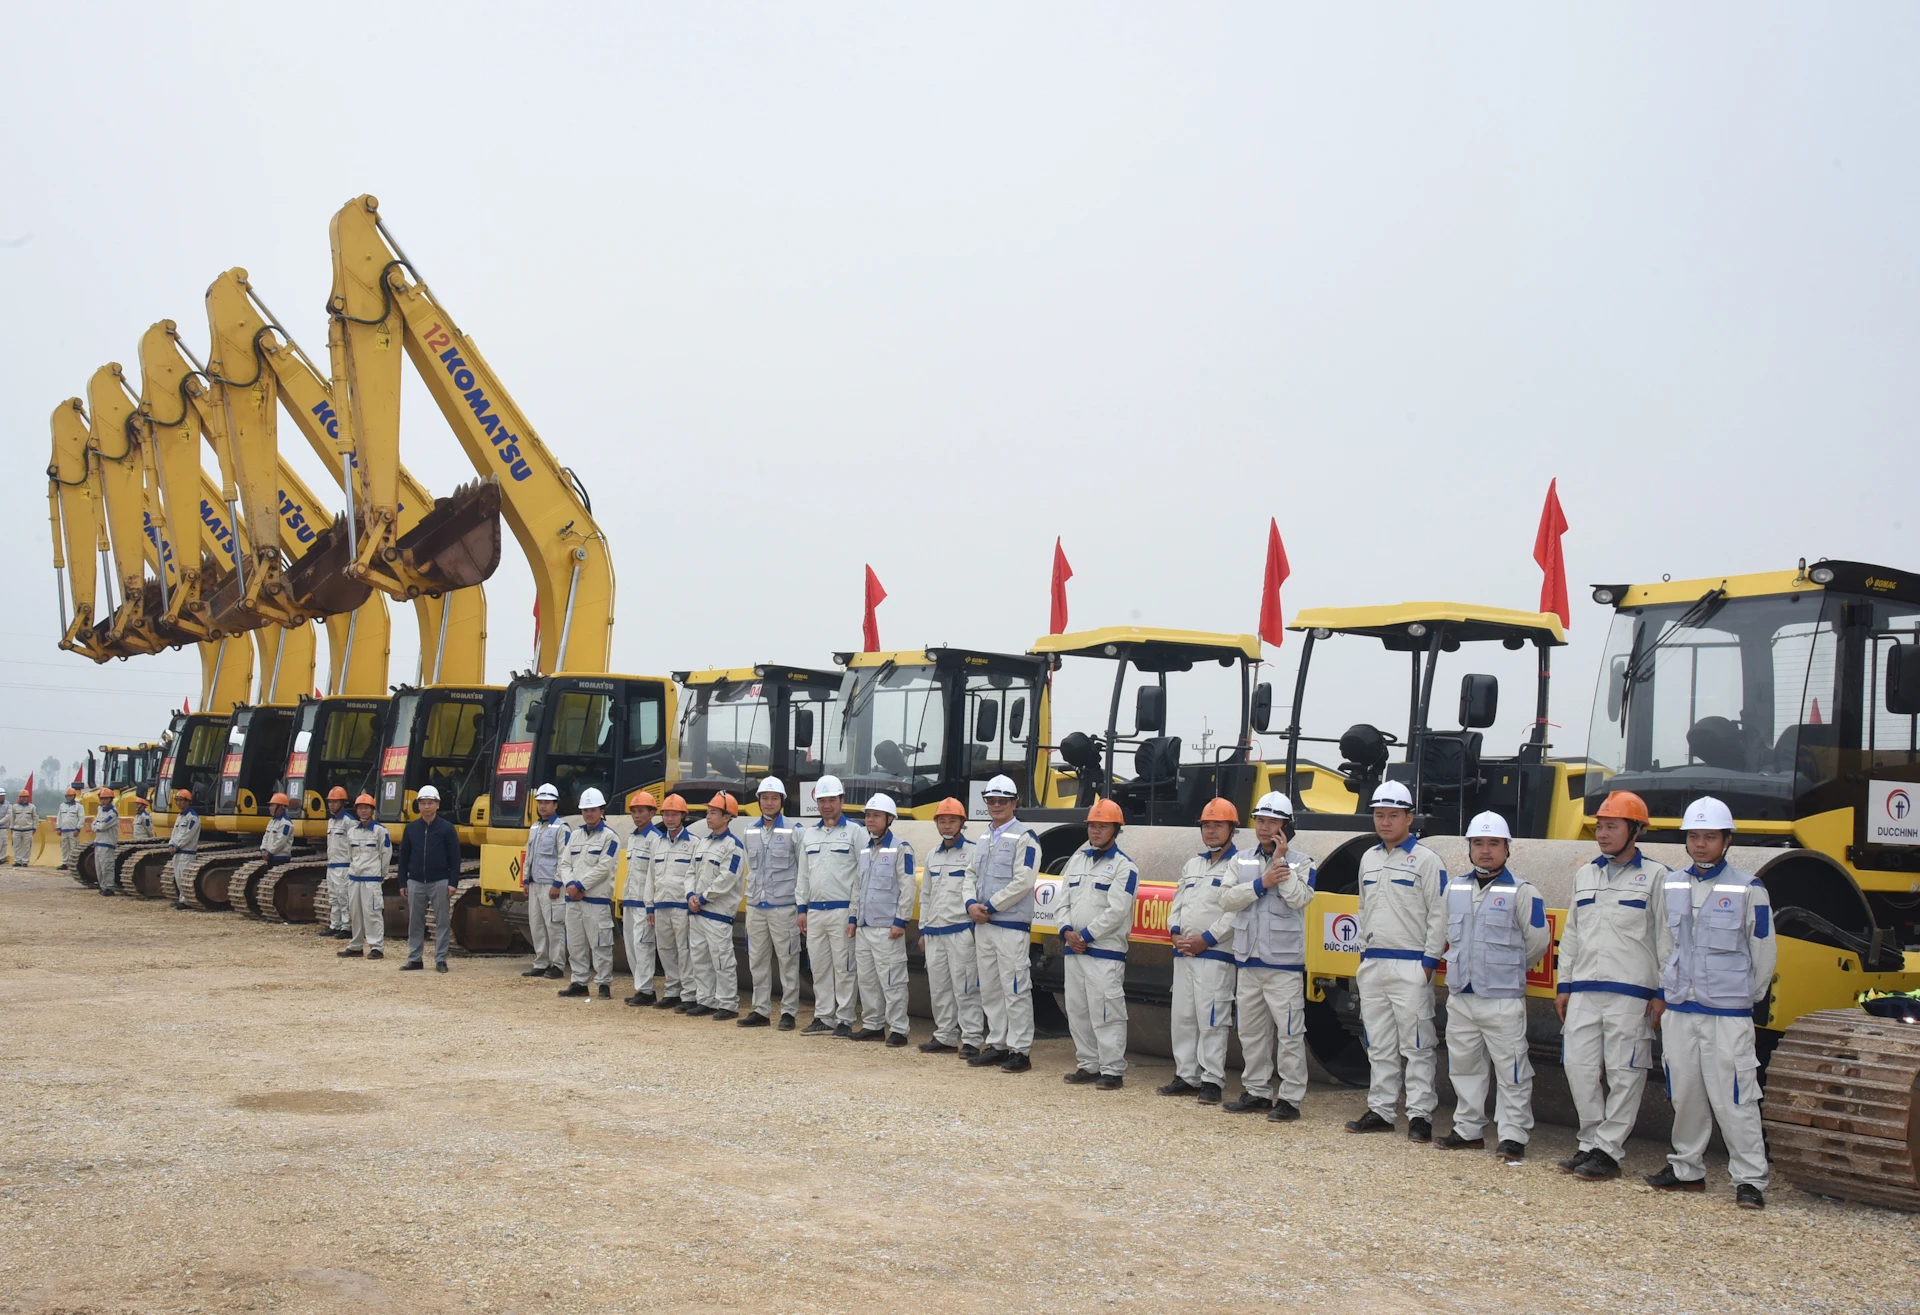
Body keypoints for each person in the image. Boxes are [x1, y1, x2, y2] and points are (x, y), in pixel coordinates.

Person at [1646, 796, 1775, 1209]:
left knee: (1736, 1097)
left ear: (1727, 840)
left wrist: (1742, 999)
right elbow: (1665, 944)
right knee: (1684, 1093)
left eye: (1709, 836)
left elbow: (1763, 953)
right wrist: (1669, 991)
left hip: (1727, 1013)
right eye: (1694, 836)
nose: (1700, 844)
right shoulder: (1672, 884)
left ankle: (1750, 1180)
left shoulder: (1749, 888)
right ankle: (1686, 1168)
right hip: (1681, 1009)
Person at [1555, 790, 1672, 1181]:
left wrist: (1662, 993)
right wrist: (1564, 984)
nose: (1602, 834)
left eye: (1611, 827)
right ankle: (1589, 1140)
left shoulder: (1657, 877)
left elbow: (1667, 940)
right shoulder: (1585, 874)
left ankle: (1608, 1150)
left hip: (1632, 992)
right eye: (1599, 827)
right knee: (1579, 1067)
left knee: (1626, 1071)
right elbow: (1571, 935)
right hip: (1585, 990)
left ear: (1635, 830)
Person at [1433, 812, 1551, 1162]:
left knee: (1513, 1069)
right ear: (1469, 848)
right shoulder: (1454, 888)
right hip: (1462, 995)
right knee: (1464, 1066)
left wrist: (1507, 969)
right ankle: (1468, 1130)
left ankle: (1513, 1135)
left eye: (1493, 844)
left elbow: (1537, 943)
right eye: (1478, 843)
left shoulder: (1523, 891)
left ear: (1507, 849)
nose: (1485, 851)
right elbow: (1443, 934)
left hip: (1502, 998)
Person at [1345, 781, 1447, 1142]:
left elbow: (1439, 913)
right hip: (1374, 963)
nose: (1385, 822)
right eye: (1379, 815)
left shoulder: (1427, 860)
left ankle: (1420, 1114)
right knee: (1379, 1041)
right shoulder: (1369, 858)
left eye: (1392, 815)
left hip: (1410, 963)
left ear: (1409, 817)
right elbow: (1362, 908)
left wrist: (1428, 963)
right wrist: (1362, 954)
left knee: (1417, 1043)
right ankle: (1382, 1109)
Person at [1219, 792, 1316, 1120]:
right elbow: (1226, 899)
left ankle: (1290, 1098)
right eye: (1260, 820)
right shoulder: (1241, 859)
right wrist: (1260, 884)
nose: (1264, 827)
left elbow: (1300, 899)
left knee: (1290, 1033)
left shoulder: (1303, 862)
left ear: (1287, 826)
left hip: (1284, 964)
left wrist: (1281, 865)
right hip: (1248, 960)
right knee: (1250, 1031)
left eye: (1272, 821)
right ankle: (1257, 1091)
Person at [1164, 797, 1243, 1103]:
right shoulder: (1193, 864)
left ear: (1231, 829)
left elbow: (1237, 910)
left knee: (1212, 1018)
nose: (1210, 831)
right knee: (1182, 1016)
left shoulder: (1239, 864)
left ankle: (1212, 1080)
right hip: (1184, 952)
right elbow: (1178, 902)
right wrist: (1175, 933)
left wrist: (1207, 939)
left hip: (1215, 954)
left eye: (1217, 825)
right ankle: (1186, 1075)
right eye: (1206, 825)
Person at [1055, 798, 1138, 1090]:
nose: (1096, 831)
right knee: (1077, 1009)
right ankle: (1088, 1064)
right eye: (1092, 825)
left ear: (1116, 829)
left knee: (1106, 1011)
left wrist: (1085, 936)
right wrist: (1066, 931)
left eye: (1102, 826)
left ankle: (1112, 1070)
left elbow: (1117, 910)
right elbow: (1062, 900)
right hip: (1074, 950)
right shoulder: (1076, 861)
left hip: (1104, 953)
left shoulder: (1125, 867)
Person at [966, 774, 1042, 1072]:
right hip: (984, 925)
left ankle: (1020, 1050)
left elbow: (1024, 881)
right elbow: (970, 875)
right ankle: (997, 1043)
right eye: (991, 800)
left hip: (1009, 925)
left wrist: (991, 906)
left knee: (1015, 987)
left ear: (1014, 803)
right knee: (991, 987)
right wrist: (971, 904)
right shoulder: (984, 838)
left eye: (1002, 801)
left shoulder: (1026, 837)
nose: (996, 806)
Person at [917, 797, 983, 1056]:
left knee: (966, 988)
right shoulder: (933, 855)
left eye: (952, 820)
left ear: (962, 823)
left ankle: (972, 1039)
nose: (946, 825)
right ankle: (944, 1036)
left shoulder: (974, 853)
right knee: (939, 988)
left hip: (960, 930)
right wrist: (923, 929)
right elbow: (926, 895)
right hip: (935, 932)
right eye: (942, 821)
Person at [849, 793, 916, 1046]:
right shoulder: (866, 850)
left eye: (876, 815)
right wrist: (853, 917)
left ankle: (899, 1029)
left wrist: (901, 921)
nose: (870, 820)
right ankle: (873, 1025)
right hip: (865, 927)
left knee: (893, 980)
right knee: (867, 980)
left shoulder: (901, 848)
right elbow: (858, 887)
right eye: (867, 815)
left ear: (890, 819)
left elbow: (908, 887)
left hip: (888, 928)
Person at [797, 775, 861, 1036]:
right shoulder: (809, 835)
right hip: (815, 912)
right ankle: (823, 1016)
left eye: (831, 800)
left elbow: (861, 875)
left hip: (842, 910)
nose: (826, 805)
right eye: (822, 800)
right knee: (820, 966)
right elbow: (803, 874)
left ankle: (845, 1018)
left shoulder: (856, 832)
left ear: (841, 801)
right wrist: (801, 908)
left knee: (844, 966)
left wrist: (854, 914)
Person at [739, 777, 805, 1029]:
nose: (769, 803)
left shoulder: (795, 831)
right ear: (758, 801)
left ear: (782, 801)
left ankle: (789, 1012)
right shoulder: (749, 831)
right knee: (757, 960)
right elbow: (751, 868)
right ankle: (761, 1010)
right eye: (765, 798)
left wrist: (801, 907)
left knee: (788, 960)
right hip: (757, 906)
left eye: (774, 798)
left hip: (784, 907)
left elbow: (802, 871)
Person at [686, 792, 746, 1021]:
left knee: (722, 959)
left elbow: (727, 879)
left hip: (718, 912)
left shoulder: (734, 847)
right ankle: (706, 1000)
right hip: (699, 910)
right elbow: (691, 872)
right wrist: (691, 895)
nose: (708, 817)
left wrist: (702, 898)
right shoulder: (703, 843)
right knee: (700, 958)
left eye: (713, 812)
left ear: (727, 817)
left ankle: (728, 1004)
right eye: (708, 812)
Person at [558, 787, 620, 1000]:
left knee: (601, 944)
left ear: (602, 810)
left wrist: (580, 886)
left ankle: (603, 984)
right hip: (573, 899)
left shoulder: (610, 837)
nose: (588, 814)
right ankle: (579, 982)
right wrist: (570, 885)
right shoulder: (575, 835)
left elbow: (604, 868)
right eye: (585, 810)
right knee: (575, 943)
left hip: (596, 901)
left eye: (592, 809)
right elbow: (564, 863)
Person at [397, 784, 462, 972]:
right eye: (423, 803)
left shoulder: (447, 829)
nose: (426, 807)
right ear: (418, 805)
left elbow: (455, 857)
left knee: (442, 921)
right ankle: (415, 958)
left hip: (440, 881)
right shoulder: (411, 829)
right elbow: (404, 857)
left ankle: (441, 959)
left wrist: (452, 882)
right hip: (416, 881)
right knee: (415, 921)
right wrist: (403, 881)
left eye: (430, 803)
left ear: (437, 805)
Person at [649, 794, 699, 1011]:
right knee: (666, 949)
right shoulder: (656, 843)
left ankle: (689, 995)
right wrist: (649, 906)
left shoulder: (694, 843)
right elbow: (651, 877)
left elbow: (696, 875)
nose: (669, 818)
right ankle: (672, 992)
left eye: (674, 814)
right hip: (661, 904)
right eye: (666, 814)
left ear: (683, 816)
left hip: (682, 906)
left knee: (685, 950)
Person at [519, 783, 570, 980]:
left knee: (554, 925)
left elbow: (564, 858)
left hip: (551, 885)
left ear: (555, 804)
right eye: (540, 802)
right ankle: (541, 962)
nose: (543, 806)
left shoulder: (562, 828)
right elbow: (529, 855)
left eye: (547, 802)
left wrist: (558, 884)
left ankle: (557, 964)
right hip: (535, 883)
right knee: (537, 924)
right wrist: (525, 880)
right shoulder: (534, 827)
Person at [620, 790, 662, 1006]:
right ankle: (641, 987)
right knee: (631, 946)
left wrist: (651, 905)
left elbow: (655, 875)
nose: (637, 815)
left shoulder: (656, 839)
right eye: (634, 812)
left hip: (645, 903)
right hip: (630, 899)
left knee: (643, 945)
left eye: (641, 811)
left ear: (652, 812)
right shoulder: (633, 837)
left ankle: (646, 990)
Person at [339, 793, 391, 959]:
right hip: (355, 879)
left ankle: (376, 947)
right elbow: (350, 854)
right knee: (355, 913)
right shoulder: (352, 832)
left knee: (372, 913)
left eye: (366, 808)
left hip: (371, 879)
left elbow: (385, 855)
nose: (363, 811)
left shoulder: (380, 831)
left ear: (372, 810)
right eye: (360, 808)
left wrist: (379, 875)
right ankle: (356, 946)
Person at [320, 786, 354, 939]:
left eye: (335, 802)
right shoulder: (331, 821)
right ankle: (335, 925)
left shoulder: (349, 822)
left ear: (342, 803)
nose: (331, 805)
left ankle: (347, 927)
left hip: (344, 865)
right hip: (332, 864)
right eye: (330, 802)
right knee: (333, 897)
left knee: (344, 897)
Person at [166, 788, 200, 911]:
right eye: (177, 800)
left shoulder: (193, 818)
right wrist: (171, 844)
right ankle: (182, 898)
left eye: (181, 800)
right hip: (177, 852)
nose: (178, 803)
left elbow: (188, 835)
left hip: (186, 852)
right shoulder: (180, 817)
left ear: (187, 802)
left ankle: (186, 900)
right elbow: (175, 833)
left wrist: (177, 845)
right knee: (178, 876)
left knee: (184, 876)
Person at [92, 787, 120, 895]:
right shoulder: (100, 809)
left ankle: (109, 887)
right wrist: (97, 826)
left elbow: (102, 826)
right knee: (99, 867)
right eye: (101, 798)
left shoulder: (113, 813)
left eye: (105, 799)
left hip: (107, 843)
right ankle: (103, 886)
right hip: (99, 841)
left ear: (110, 799)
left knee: (107, 866)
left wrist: (96, 826)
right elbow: (94, 824)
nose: (103, 801)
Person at [260, 792, 295, 872]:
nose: (270, 808)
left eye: (272, 805)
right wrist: (263, 849)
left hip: (279, 859)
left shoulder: (286, 823)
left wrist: (270, 853)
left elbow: (281, 841)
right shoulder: (272, 822)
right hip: (271, 857)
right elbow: (265, 837)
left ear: (280, 807)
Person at [56, 787, 84, 870]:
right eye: (67, 796)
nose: (69, 797)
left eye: (70, 796)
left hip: (73, 831)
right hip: (64, 830)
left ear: (74, 796)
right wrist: (58, 828)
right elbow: (59, 817)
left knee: (74, 847)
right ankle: (65, 863)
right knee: (64, 847)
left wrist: (78, 829)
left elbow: (81, 818)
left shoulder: (78, 806)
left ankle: (73, 864)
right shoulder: (62, 805)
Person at [8, 787, 37, 865]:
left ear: (28, 797)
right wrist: (11, 828)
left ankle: (25, 861)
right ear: (20, 797)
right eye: (22, 797)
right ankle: (17, 861)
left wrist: (34, 827)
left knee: (27, 847)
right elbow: (12, 817)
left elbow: (35, 818)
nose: (24, 798)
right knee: (16, 846)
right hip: (17, 829)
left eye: (26, 797)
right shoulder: (14, 807)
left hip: (28, 829)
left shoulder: (32, 807)